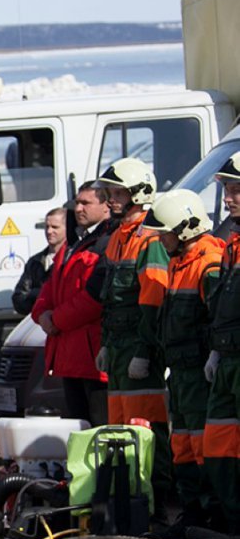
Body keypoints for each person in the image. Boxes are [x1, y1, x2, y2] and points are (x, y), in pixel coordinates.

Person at [90, 157, 174, 514]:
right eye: (109, 192)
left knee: (148, 427)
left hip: (140, 348)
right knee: (122, 427)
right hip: (120, 347)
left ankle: (162, 498)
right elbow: (112, 301)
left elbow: (152, 301)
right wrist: (108, 344)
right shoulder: (117, 239)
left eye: (117, 192)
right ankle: (133, 499)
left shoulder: (148, 240)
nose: (110, 199)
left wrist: (143, 349)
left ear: (138, 194)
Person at [143, 190, 224, 533]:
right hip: (181, 371)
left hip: (200, 373)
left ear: (185, 229)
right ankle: (191, 511)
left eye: (165, 233)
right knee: (184, 444)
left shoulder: (210, 264)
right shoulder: (180, 263)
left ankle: (213, 513)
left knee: (206, 444)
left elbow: (218, 320)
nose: (161, 240)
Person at [32, 183, 112, 424]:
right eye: (77, 203)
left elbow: (92, 299)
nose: (78, 208)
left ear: (105, 207)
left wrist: (55, 319)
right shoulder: (74, 243)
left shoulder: (105, 243)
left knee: (99, 429)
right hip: (71, 354)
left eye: (85, 203)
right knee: (79, 428)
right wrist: (42, 315)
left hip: (92, 357)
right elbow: (50, 287)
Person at [204, 153, 240, 533]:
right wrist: (216, 348)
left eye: (235, 189)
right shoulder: (231, 246)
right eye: (227, 190)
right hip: (228, 357)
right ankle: (232, 521)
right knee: (216, 442)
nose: (228, 198)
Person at [12, 207, 67, 315]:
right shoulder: (35, 261)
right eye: (47, 227)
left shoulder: (71, 259)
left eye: (55, 227)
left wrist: (35, 294)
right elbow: (18, 299)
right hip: (36, 323)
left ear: (67, 228)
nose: (49, 231)